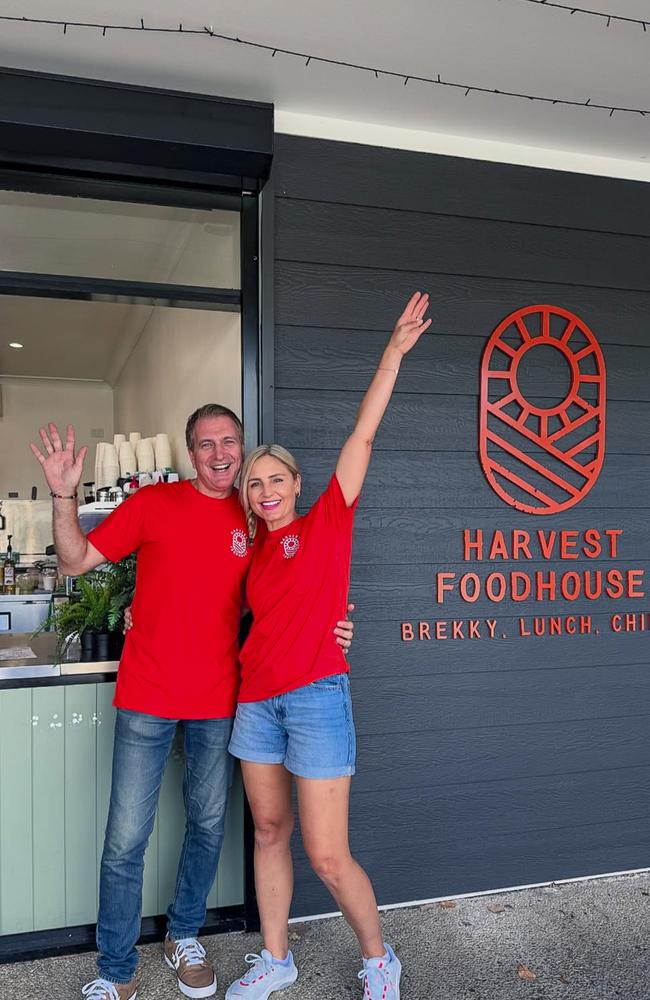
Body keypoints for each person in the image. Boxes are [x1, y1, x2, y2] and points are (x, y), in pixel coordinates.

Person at [30, 406, 353, 1000]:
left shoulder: (256, 514)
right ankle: (117, 969)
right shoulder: (154, 504)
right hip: (147, 696)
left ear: (242, 447)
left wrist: (334, 625)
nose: (220, 453)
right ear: (190, 453)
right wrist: (62, 496)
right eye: (206, 444)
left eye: (229, 441)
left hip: (220, 700)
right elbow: (75, 561)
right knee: (127, 836)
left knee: (207, 826)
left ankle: (184, 935)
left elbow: (294, 583)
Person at [225, 292, 432, 1000]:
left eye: (274, 478)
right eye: (254, 484)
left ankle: (379, 958)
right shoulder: (251, 555)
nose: (264, 489)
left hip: (315, 697)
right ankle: (275, 959)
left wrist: (393, 354)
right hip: (256, 702)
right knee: (269, 831)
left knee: (327, 852)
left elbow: (363, 436)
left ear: (297, 485)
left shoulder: (327, 523)